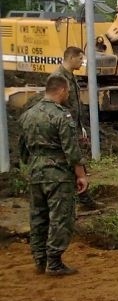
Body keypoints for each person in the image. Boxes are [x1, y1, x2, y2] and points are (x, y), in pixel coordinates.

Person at [18, 74, 88, 276]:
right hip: (58, 175)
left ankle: (39, 260)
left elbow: (22, 151)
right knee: (60, 217)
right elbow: (71, 151)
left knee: (38, 217)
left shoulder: (27, 115)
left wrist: (34, 164)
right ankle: (54, 262)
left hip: (35, 172)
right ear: (62, 90)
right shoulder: (62, 116)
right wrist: (81, 175)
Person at [55, 46, 94, 208]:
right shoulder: (58, 78)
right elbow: (56, 106)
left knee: (76, 160)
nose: (82, 62)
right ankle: (81, 199)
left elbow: (75, 105)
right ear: (71, 58)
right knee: (73, 161)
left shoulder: (71, 77)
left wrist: (80, 127)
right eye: (80, 58)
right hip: (64, 127)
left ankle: (81, 197)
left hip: (72, 125)